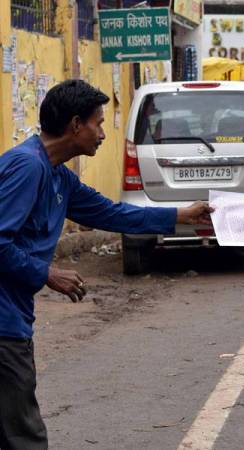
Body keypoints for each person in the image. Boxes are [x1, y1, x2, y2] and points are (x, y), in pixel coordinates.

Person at [0, 79, 213, 449]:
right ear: (76, 124)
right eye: (98, 124)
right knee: (24, 437)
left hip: (13, 315)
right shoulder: (27, 166)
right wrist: (47, 273)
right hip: (3, 325)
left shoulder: (59, 176)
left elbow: (112, 214)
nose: (102, 134)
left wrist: (182, 214)